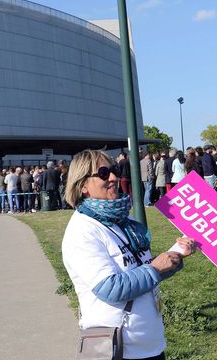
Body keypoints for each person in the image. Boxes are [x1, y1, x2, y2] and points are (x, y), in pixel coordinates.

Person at [61, 149, 195, 360]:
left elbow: (140, 270)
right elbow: (110, 287)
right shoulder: (82, 231)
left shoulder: (123, 222)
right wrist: (156, 267)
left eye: (113, 170)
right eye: (104, 173)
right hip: (118, 349)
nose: (114, 177)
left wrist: (174, 255)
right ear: (83, 185)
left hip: (149, 345)